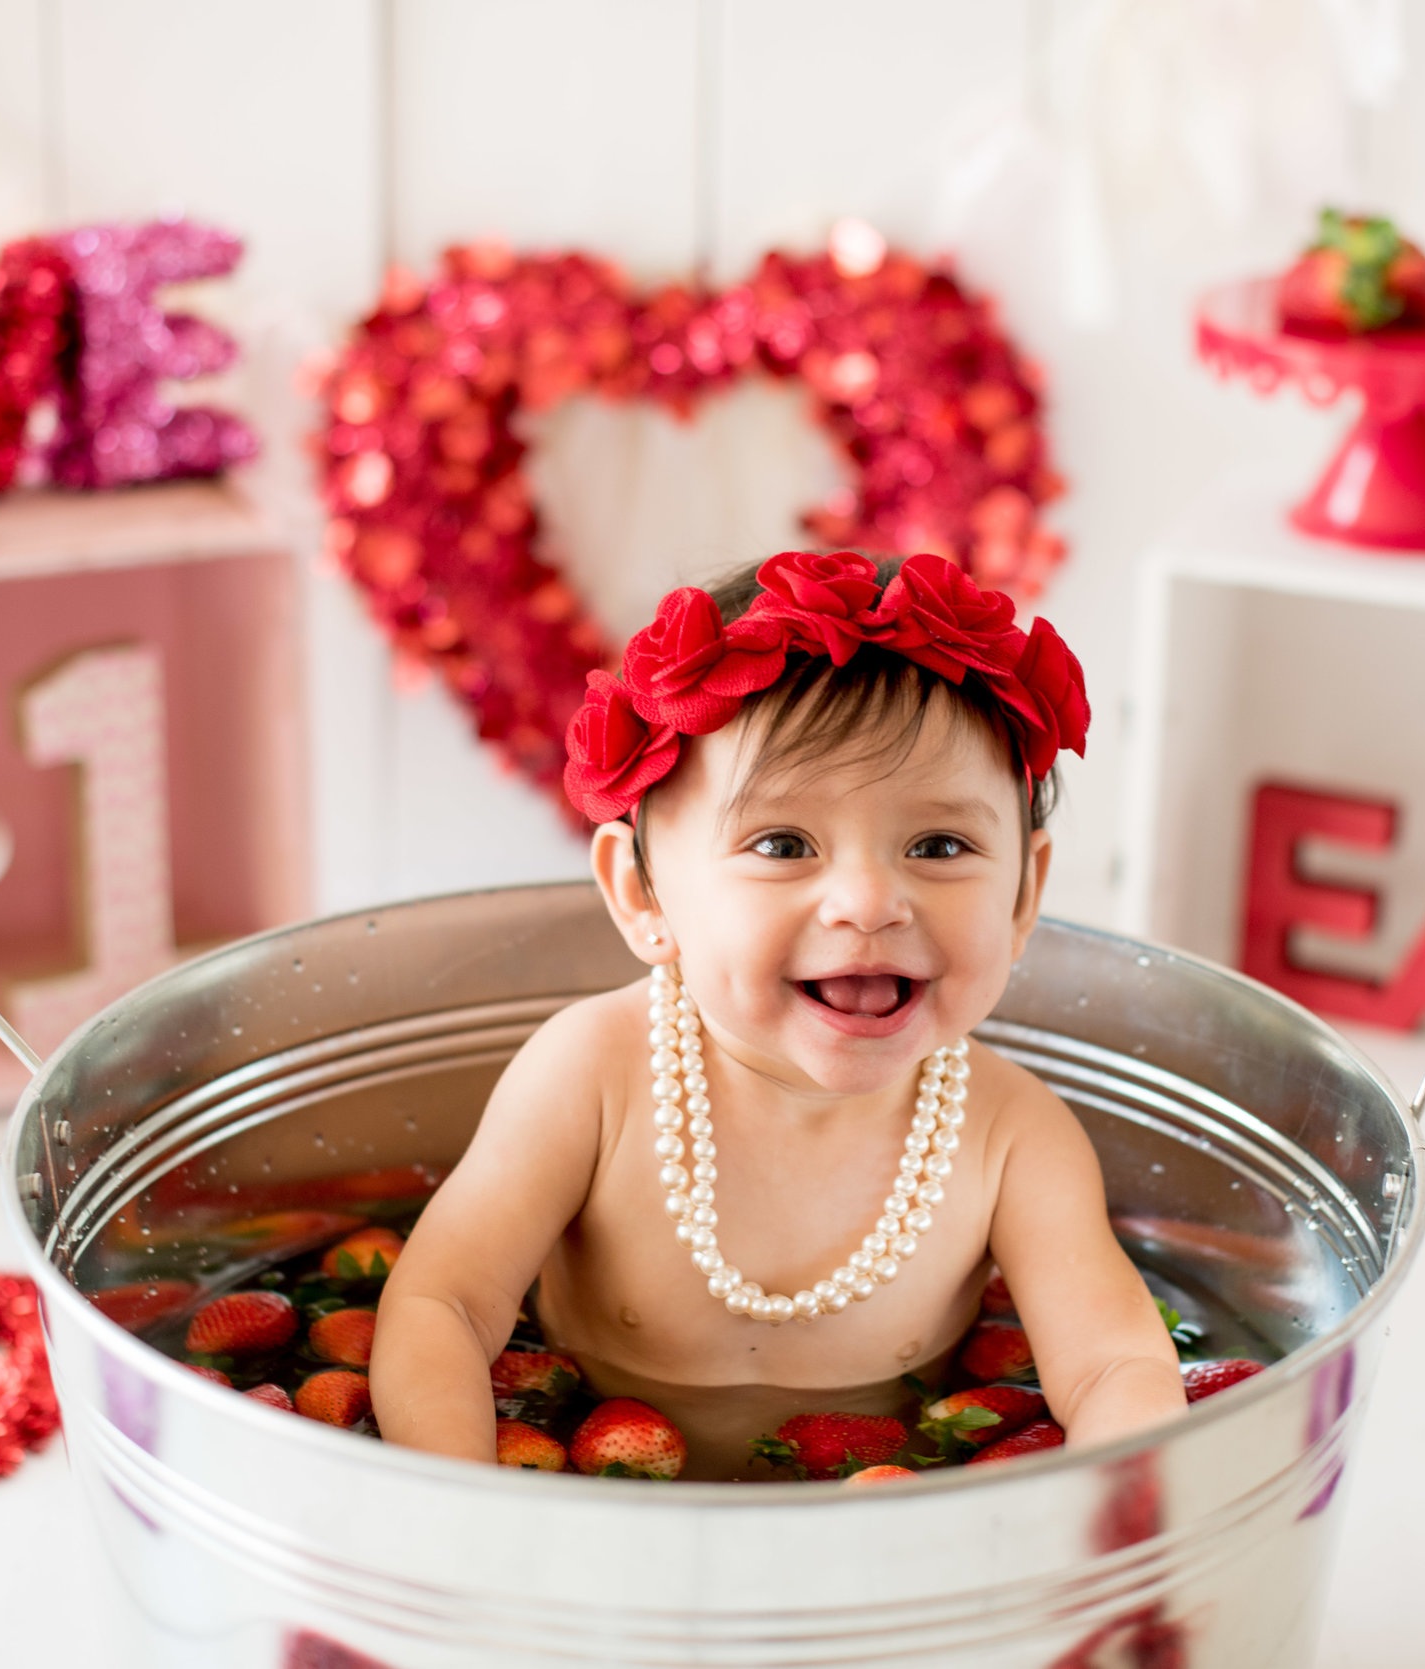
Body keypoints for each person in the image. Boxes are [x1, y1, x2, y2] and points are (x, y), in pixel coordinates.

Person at [372, 551, 1187, 1479]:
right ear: (642, 894)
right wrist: (464, 1500)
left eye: (939, 843)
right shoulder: (592, 1074)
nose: (870, 901)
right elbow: (444, 1304)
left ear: (1023, 893)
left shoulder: (1011, 1134)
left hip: (887, 1514)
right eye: (784, 843)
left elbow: (1115, 1360)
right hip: (584, 1488)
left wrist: (1113, 1509)